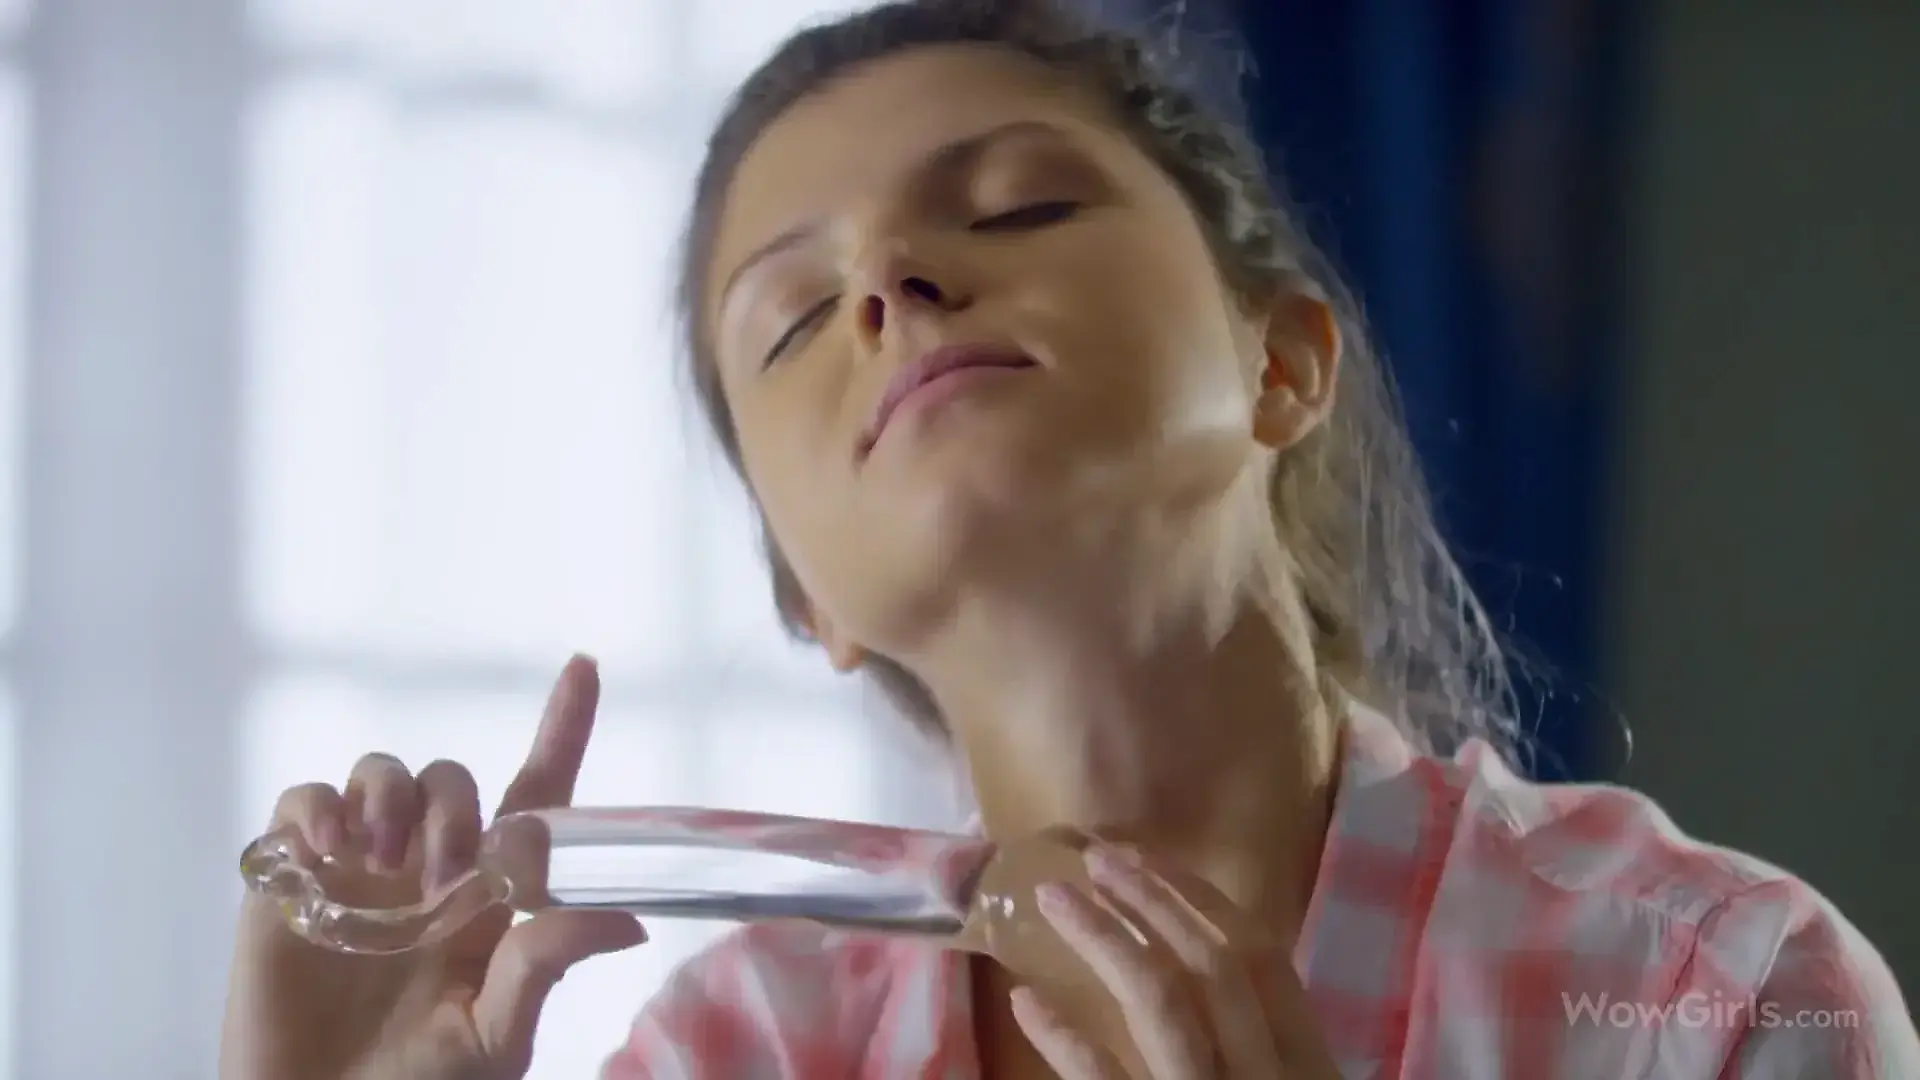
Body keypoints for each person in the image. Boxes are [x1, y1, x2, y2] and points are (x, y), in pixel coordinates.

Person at [217, 1, 1920, 1077]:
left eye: (1018, 204)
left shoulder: (1714, 999)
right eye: (795, 319)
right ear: (807, 596)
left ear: (1282, 362)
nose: (891, 285)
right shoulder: (740, 1048)